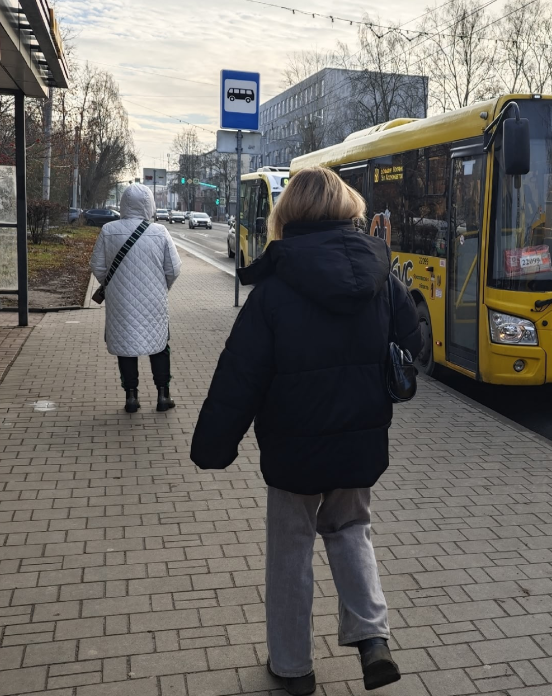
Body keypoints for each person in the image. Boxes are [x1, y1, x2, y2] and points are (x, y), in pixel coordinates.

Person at [190, 167, 422, 696]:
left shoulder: (274, 287)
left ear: (288, 213)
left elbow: (240, 375)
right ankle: (372, 639)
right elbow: (415, 347)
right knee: (351, 528)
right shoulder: (382, 275)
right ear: (348, 208)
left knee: (291, 548)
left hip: (293, 447)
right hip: (360, 439)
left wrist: (212, 446)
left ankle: (293, 669)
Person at [89, 183, 181, 413]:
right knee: (160, 347)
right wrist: (162, 287)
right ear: (149, 204)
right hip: (154, 303)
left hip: (120, 303)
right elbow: (174, 269)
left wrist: (112, 287)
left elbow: (97, 266)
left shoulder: (109, 230)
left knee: (125, 348)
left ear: (123, 204)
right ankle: (163, 395)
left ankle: (131, 397)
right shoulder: (159, 232)